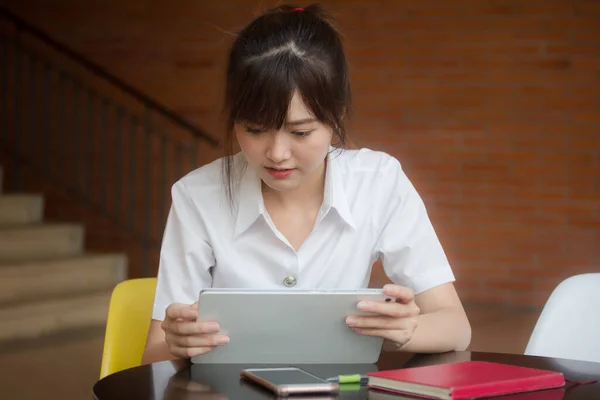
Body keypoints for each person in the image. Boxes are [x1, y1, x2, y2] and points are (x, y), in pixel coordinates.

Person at [142, 3, 471, 364]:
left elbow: (456, 327)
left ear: (337, 116)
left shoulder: (378, 182)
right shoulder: (197, 197)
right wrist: (176, 344)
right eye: (254, 129)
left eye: (300, 131)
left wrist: (407, 331)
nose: (277, 153)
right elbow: (154, 358)